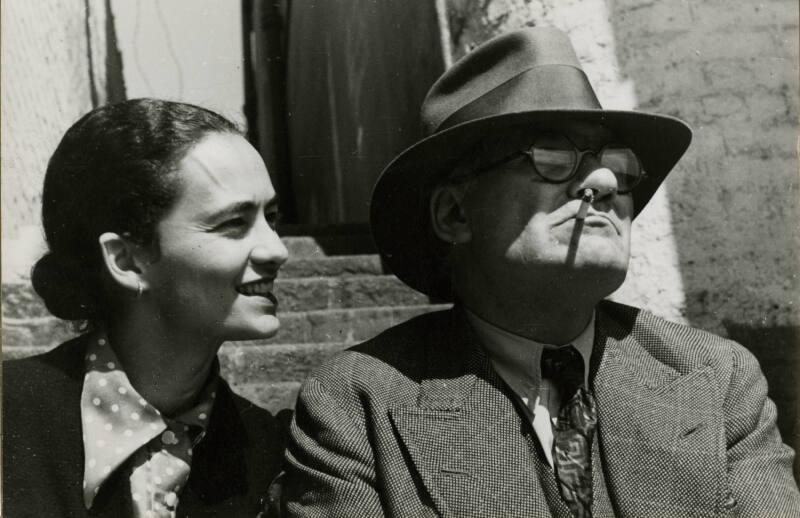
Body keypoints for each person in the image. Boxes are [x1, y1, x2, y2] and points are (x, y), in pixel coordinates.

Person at [283, 27, 800, 516]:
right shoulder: (358, 403)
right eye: (553, 156)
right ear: (455, 213)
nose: (604, 181)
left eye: (620, 165)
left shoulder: (716, 378)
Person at [3, 98, 290, 517]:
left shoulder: (265, 451)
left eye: (272, 217)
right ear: (126, 260)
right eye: (234, 223)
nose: (277, 250)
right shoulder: (10, 416)